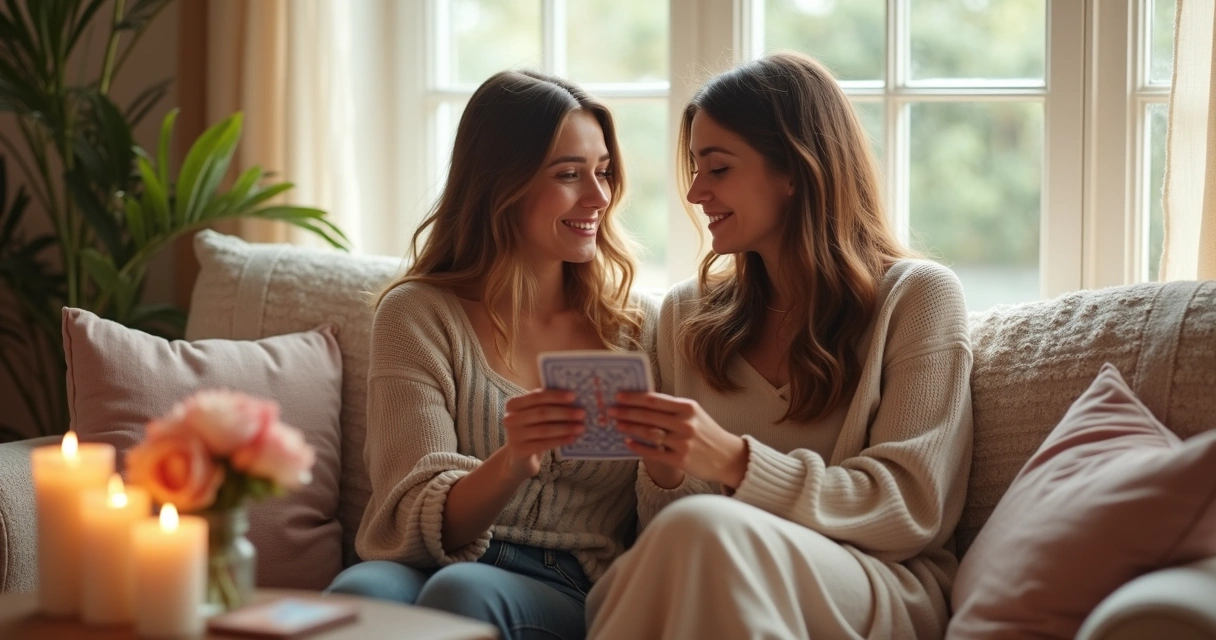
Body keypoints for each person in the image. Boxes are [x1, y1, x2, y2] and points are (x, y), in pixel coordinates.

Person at [585, 52, 974, 640]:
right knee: (682, 543)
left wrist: (734, 461)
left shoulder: (917, 298)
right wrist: (665, 469)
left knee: (702, 534)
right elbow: (665, 528)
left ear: (794, 171)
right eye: (694, 167)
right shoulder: (686, 314)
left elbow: (909, 509)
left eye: (717, 169)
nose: (694, 192)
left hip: (873, 582)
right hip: (712, 566)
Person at [325, 69, 655, 640]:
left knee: (464, 593)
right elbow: (409, 510)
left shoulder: (633, 327)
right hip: (422, 562)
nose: (599, 196)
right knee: (358, 595)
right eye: (569, 174)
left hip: (567, 580)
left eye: (603, 172)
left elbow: (661, 510)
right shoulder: (418, 314)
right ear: (503, 184)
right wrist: (512, 461)